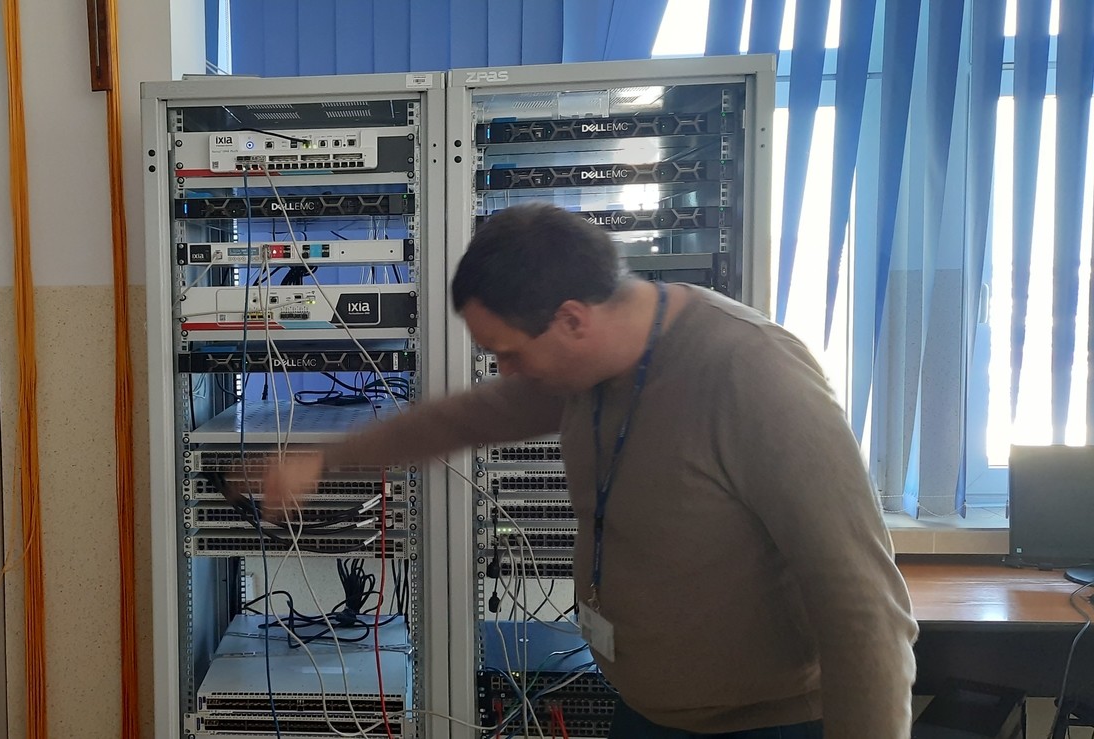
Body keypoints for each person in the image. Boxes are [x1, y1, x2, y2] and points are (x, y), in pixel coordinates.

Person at [261, 203, 918, 738]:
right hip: (648, 711)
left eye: (507, 353)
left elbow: (864, 608)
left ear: (572, 318)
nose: (505, 371)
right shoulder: (588, 367)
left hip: (764, 725)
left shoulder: (754, 374)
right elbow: (465, 418)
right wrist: (325, 458)